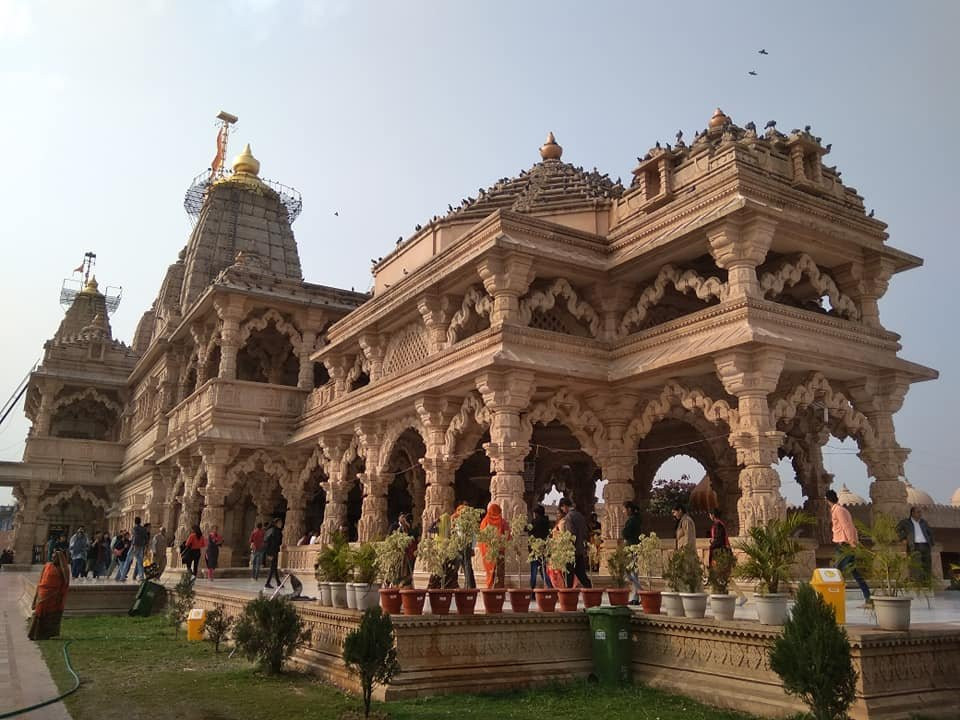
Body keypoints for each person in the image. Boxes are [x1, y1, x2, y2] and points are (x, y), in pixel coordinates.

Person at [826, 489, 871, 606]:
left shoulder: (839, 510)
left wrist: (852, 543)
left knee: (837, 571)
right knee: (852, 571)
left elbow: (847, 527)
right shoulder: (838, 509)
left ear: (827, 500)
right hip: (843, 544)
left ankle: (831, 598)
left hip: (844, 545)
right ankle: (867, 597)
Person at [28, 549, 71, 640]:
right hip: (43, 593)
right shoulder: (47, 566)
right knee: (39, 612)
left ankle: (46, 634)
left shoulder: (63, 569)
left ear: (59, 558)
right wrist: (36, 595)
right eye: (52, 556)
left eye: (55, 557)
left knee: (50, 614)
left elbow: (65, 583)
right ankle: (35, 634)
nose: (52, 558)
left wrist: (60, 595)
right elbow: (41, 579)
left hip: (54, 595)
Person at [708, 508, 747, 606]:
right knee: (718, 575)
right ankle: (713, 595)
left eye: (710, 514)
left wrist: (712, 544)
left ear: (712, 515)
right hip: (721, 553)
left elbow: (719, 540)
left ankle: (741, 596)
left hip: (720, 554)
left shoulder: (718, 525)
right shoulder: (719, 524)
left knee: (721, 575)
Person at [558, 498, 592, 589]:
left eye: (562, 508)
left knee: (568, 574)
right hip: (580, 549)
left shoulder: (569, 517)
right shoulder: (580, 516)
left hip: (571, 551)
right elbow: (586, 532)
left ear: (565, 506)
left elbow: (570, 534)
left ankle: (568, 595)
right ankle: (590, 590)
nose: (562, 510)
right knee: (581, 574)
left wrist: (567, 549)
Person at [897, 506, 935, 582]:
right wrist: (903, 538)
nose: (920, 514)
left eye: (920, 512)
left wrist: (931, 542)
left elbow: (930, 532)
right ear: (912, 513)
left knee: (927, 564)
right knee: (915, 565)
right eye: (918, 512)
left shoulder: (923, 522)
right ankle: (917, 583)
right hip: (914, 546)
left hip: (925, 546)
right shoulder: (906, 522)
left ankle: (927, 582)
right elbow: (898, 529)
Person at [478, 503, 510, 588]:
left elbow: (481, 538)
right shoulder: (502, 522)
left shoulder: (485, 521)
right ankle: (499, 589)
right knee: (500, 571)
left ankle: (490, 587)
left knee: (490, 571)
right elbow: (507, 535)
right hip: (500, 550)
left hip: (489, 551)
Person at [451, 504, 477, 589]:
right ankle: (470, 584)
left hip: (465, 544)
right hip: (461, 544)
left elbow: (473, 535)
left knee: (466, 565)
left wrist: (472, 547)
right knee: (465, 564)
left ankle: (469, 585)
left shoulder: (466, 522)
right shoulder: (458, 520)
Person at [621, 501, 643, 603]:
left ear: (629, 509)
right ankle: (636, 597)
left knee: (632, 573)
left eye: (624, 509)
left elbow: (625, 533)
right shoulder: (633, 519)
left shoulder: (633, 520)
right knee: (632, 573)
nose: (623, 511)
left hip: (633, 548)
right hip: (631, 548)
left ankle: (641, 593)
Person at [529, 505, 552, 589]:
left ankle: (532, 591)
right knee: (543, 570)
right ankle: (550, 587)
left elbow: (528, 529)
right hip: (544, 549)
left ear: (536, 513)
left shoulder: (535, 522)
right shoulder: (547, 522)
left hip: (534, 549)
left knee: (534, 571)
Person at [119, 517, 148, 582]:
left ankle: (122, 576)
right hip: (141, 547)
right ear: (140, 521)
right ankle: (141, 577)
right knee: (140, 562)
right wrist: (145, 546)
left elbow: (135, 537)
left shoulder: (135, 528)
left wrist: (134, 545)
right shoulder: (144, 529)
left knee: (127, 561)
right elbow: (146, 538)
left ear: (135, 522)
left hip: (134, 546)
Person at [263, 517, 283, 588]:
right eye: (280, 523)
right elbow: (270, 543)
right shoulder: (274, 531)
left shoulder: (271, 530)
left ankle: (278, 582)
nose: (281, 524)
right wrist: (269, 553)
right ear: (276, 523)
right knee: (273, 567)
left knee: (274, 567)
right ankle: (268, 583)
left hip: (274, 551)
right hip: (273, 551)